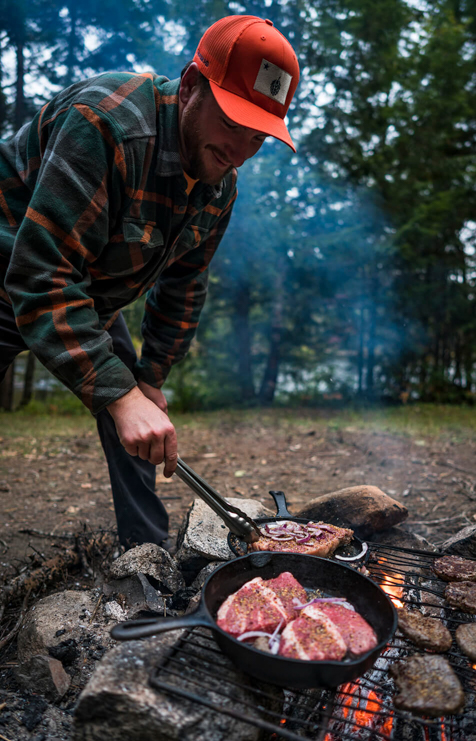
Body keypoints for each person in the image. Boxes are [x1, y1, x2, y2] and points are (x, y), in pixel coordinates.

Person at [0, 15, 300, 550]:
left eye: (258, 137)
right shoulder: (105, 124)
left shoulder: (218, 183)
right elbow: (41, 274)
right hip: (12, 272)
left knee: (139, 410)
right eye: (232, 123)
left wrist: (150, 378)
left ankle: (147, 552)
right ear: (190, 87)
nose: (239, 152)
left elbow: (185, 282)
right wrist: (119, 394)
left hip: (85, 294)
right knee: (122, 396)